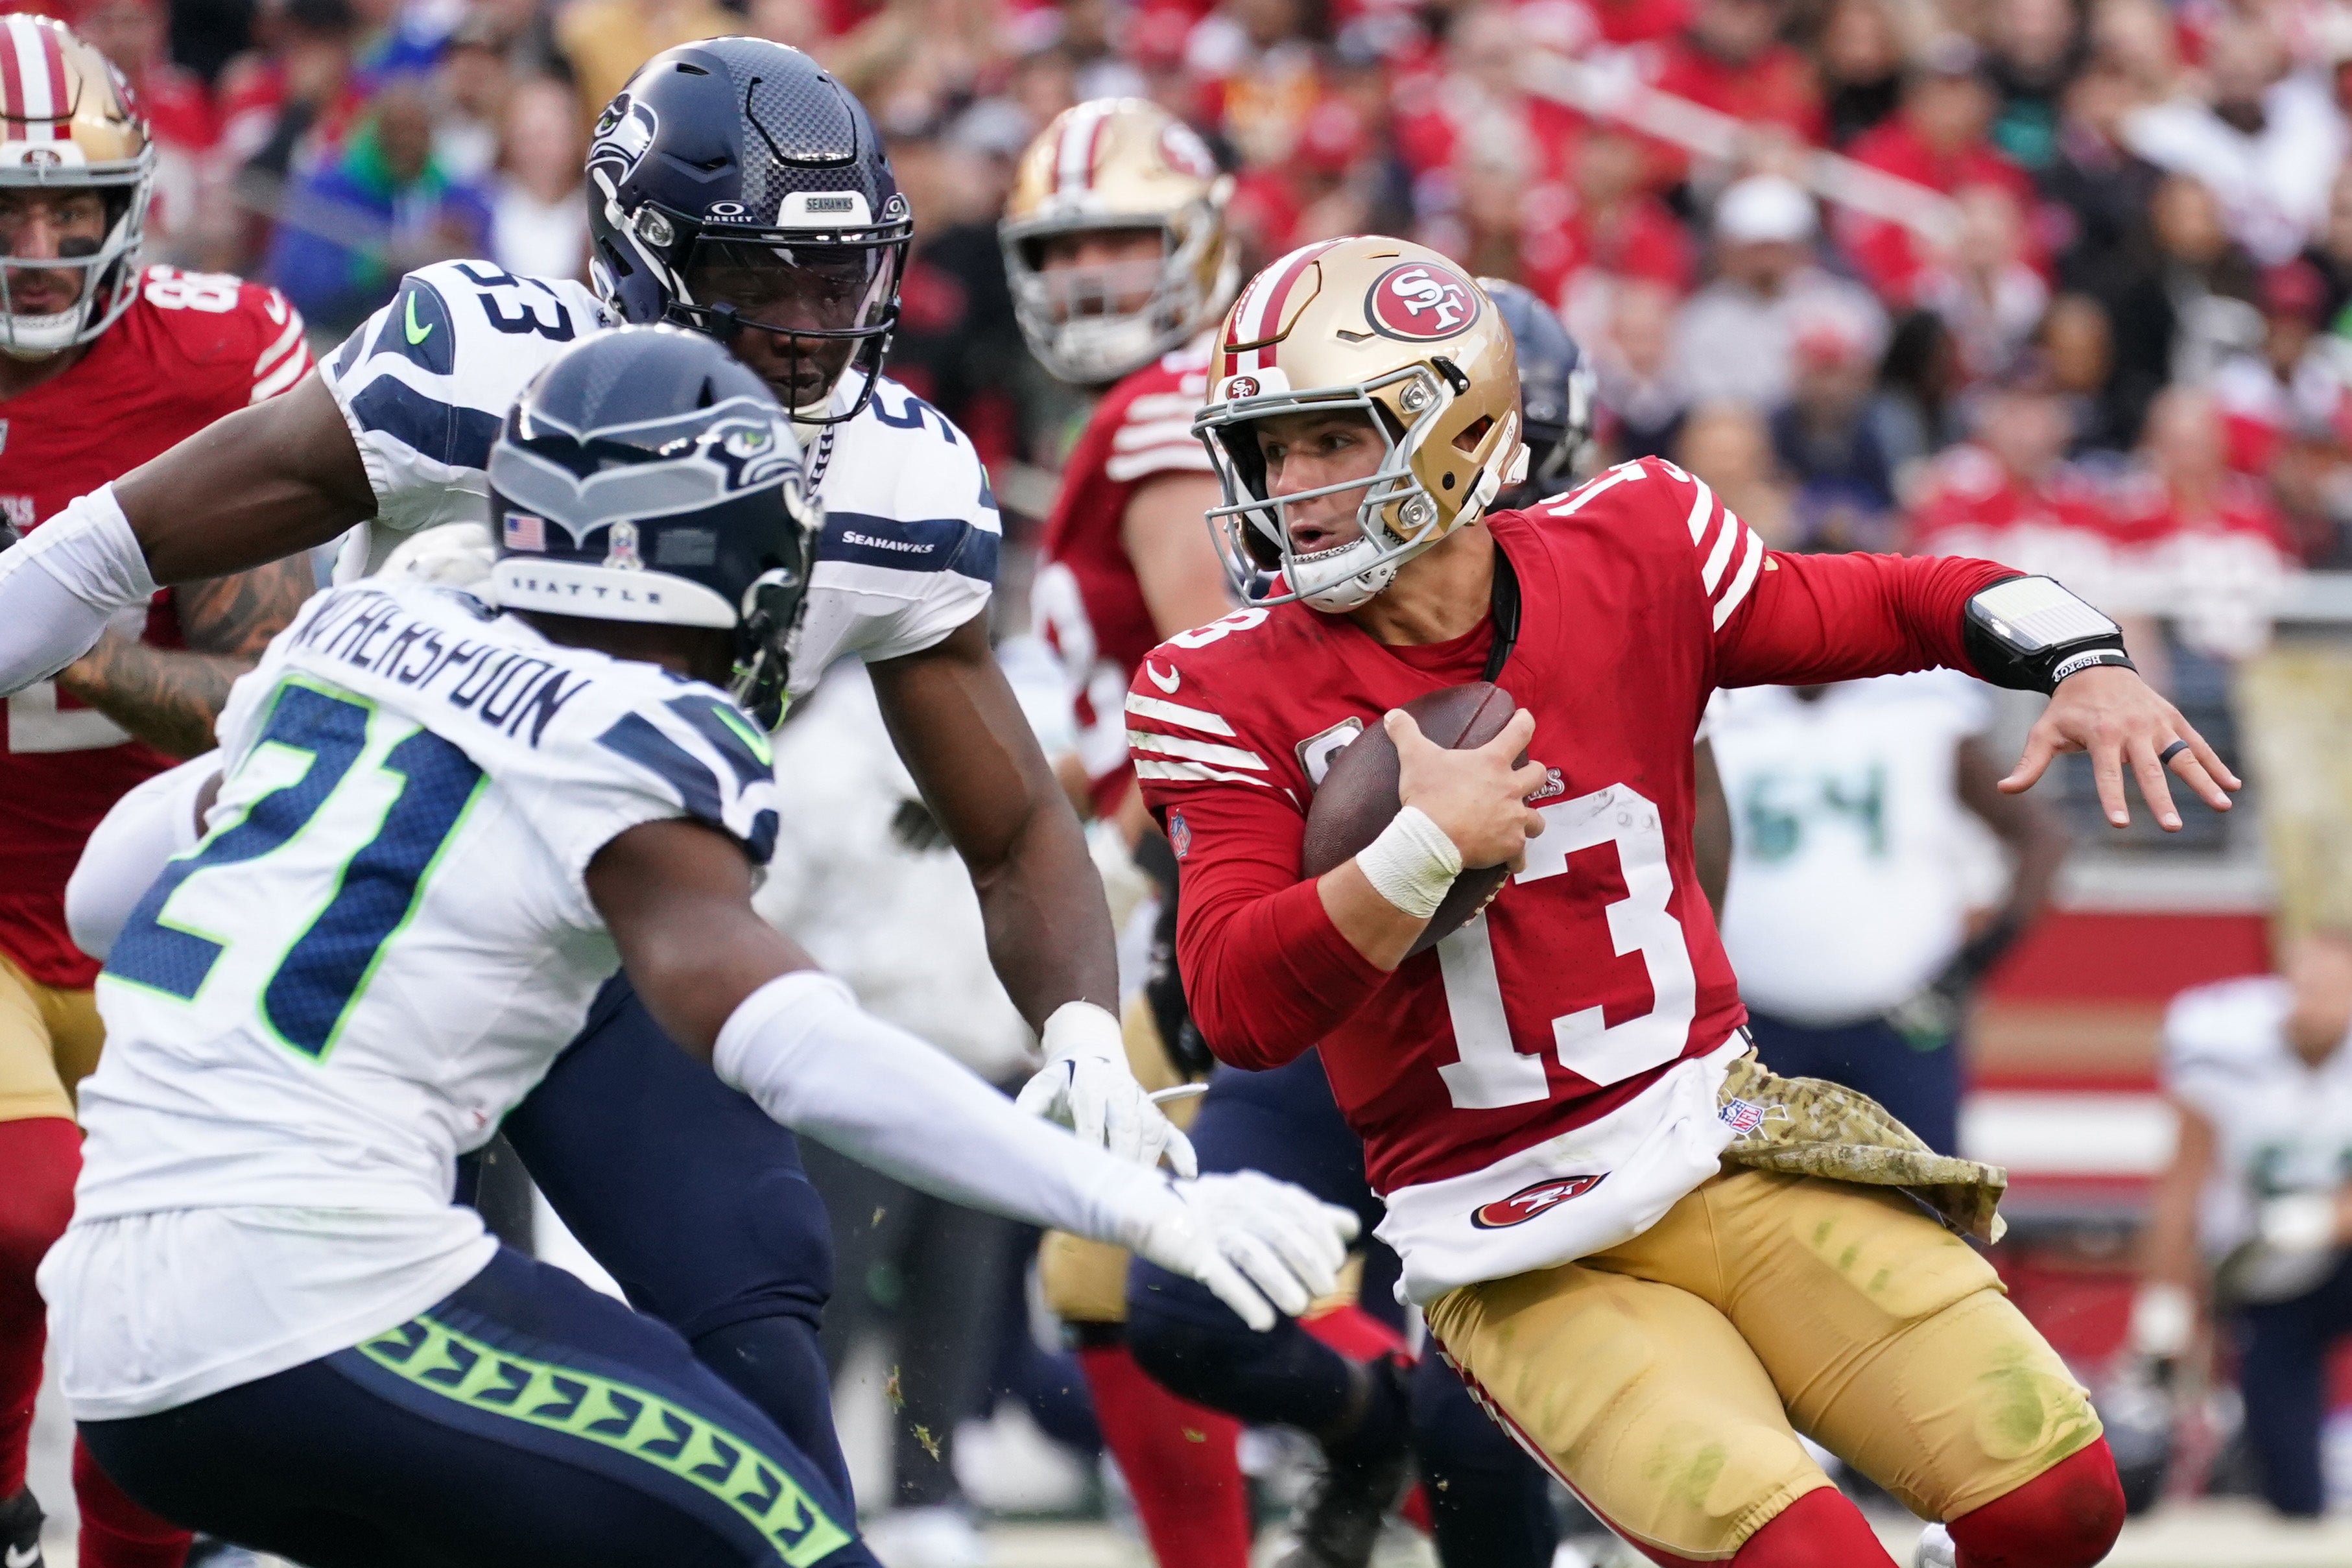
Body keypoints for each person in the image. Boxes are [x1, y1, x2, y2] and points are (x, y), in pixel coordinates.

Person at [0, 35, 1187, 1533]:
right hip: (394, 911)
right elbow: (105, 547)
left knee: (759, 1301)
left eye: (842, 282)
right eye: (763, 285)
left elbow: (1010, 820)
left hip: (630, 924)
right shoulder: (477, 363)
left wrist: (1080, 1037)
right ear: (641, 265)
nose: (816, 335)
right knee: (379, 1350)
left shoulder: (899, 480)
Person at [40, 325, 1360, 1568]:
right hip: (329, 1298)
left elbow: (108, 897)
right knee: (798, 1535)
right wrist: (1137, 1204)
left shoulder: (354, 633)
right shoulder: (631, 728)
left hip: (113, 1337)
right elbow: (786, 1044)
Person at [1130, 233, 2237, 1567]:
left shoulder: (1637, 539)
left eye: (1326, 440)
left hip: (1721, 1139)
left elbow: (1882, 601)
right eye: (1266, 452)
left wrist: (2080, 653)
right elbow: (1237, 1003)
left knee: (2060, 1501)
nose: (1288, 489)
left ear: (1454, 428)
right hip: (1509, 1238)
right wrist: (1418, 851)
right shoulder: (1215, 686)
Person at [0, 19, 318, 1568]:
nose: (46, 247)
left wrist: (68, 642)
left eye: (75, 208)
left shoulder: (218, 353)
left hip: (166, 894)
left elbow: (264, 707)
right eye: (9, 214)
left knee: (155, 1268)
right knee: (24, 1213)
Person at [999, 95, 1261, 1568]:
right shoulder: (1160, 399)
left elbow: (1217, 667)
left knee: (1142, 1263)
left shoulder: (1167, 407)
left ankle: (1478, 1498)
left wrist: (1200, 887)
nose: (1096, 274)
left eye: (1124, 239)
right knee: (1106, 1265)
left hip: (1196, 879)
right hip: (1169, 863)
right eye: (1069, 247)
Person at [1708, 663, 2070, 1158]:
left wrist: (1974, 964)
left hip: (1898, 1021)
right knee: (1749, 1218)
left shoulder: (1919, 706)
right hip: (1752, 1022)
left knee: (1925, 1216)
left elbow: (2041, 837)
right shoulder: (1717, 709)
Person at [2131, 931, 2352, 1519]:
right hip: (2264, 1267)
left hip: (2336, 1248)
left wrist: (2328, 1217)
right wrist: (2164, 1299)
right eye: (2307, 983)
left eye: (2334, 987)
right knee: (2289, 1483)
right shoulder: (2222, 1040)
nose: (2315, 1002)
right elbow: (2184, 1180)